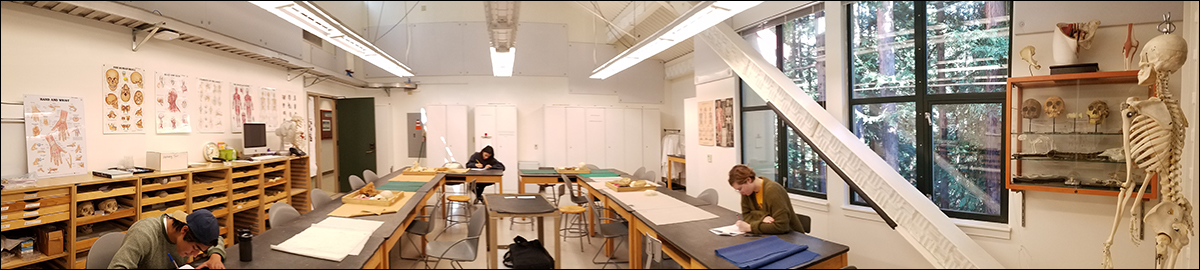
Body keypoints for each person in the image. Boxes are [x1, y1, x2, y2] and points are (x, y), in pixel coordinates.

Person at [110, 209, 226, 269]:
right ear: (184, 231)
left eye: (200, 250)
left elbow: (217, 239)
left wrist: (215, 257)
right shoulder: (144, 233)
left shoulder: (186, 222)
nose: (195, 255)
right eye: (195, 248)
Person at [728, 164, 806, 234]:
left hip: (791, 238)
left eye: (740, 189)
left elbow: (781, 226)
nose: (740, 193)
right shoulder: (747, 192)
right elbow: (746, 216)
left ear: (748, 180)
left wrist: (750, 227)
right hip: (769, 236)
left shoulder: (773, 190)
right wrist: (762, 218)